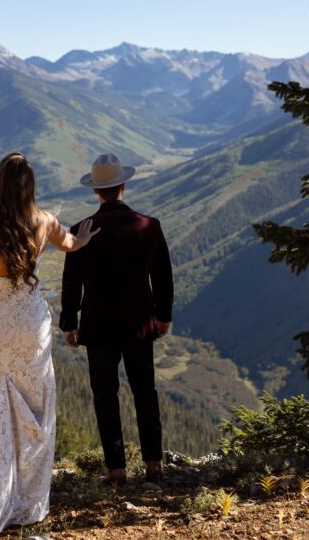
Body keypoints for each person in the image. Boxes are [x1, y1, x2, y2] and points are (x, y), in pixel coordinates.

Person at [0, 152, 98, 540]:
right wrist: (83, 238)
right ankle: (27, 500)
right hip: (30, 322)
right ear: (29, 186)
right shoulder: (44, 220)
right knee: (33, 406)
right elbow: (71, 243)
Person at [60, 153, 174, 487]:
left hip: (98, 327)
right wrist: (163, 317)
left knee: (105, 395)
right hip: (139, 324)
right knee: (145, 391)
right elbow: (163, 279)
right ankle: (154, 465)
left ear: (96, 191)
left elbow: (72, 283)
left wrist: (70, 322)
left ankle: (117, 471)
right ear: (123, 185)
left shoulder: (81, 230)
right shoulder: (148, 226)